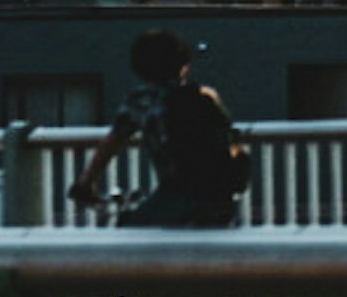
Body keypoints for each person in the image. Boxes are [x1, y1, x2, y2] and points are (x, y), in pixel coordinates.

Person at [68, 29, 250, 228]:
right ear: (183, 66)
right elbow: (231, 139)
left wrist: (85, 184)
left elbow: (112, 143)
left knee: (133, 231)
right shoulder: (206, 96)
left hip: (178, 194)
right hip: (221, 195)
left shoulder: (143, 100)